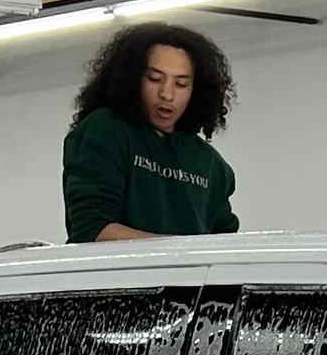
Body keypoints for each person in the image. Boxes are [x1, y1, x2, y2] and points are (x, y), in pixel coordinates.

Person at [61, 24, 239, 243]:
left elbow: (225, 243)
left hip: (189, 276)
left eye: (181, 84)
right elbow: (92, 229)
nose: (166, 94)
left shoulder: (212, 166)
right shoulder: (105, 131)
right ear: (133, 79)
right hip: (118, 276)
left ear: (197, 90)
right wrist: (180, 253)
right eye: (155, 79)